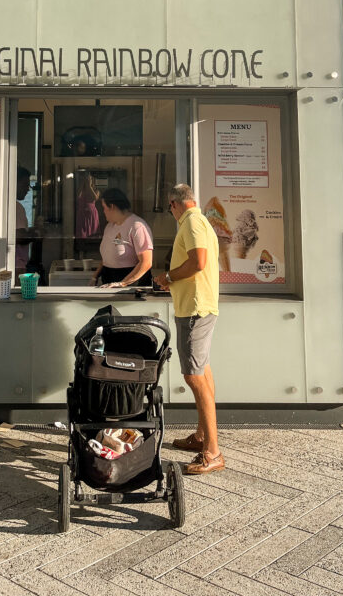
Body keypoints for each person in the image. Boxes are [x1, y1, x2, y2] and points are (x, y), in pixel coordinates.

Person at [154, 183, 225, 475]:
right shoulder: (201, 220)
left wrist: (168, 275)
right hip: (199, 306)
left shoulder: (192, 222)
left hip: (194, 309)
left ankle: (212, 452)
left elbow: (198, 262)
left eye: (170, 208)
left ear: (174, 204)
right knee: (203, 372)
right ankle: (201, 437)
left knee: (193, 376)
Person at [92, 187, 153, 289]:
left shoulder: (137, 226)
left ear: (112, 206)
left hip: (131, 285)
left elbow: (146, 262)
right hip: (108, 282)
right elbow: (107, 258)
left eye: (104, 207)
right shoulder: (109, 227)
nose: (103, 211)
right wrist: (95, 277)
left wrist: (123, 283)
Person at [15, 165, 42, 278]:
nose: (28, 189)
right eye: (25, 185)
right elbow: (18, 236)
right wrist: (36, 235)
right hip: (17, 266)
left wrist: (31, 230)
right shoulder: (17, 207)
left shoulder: (9, 206)